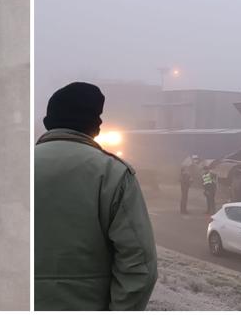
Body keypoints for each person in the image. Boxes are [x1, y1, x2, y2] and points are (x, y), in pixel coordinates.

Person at [35, 82, 158, 310]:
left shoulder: (11, 169)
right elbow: (139, 265)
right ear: (95, 127)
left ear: (48, 122)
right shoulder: (114, 173)